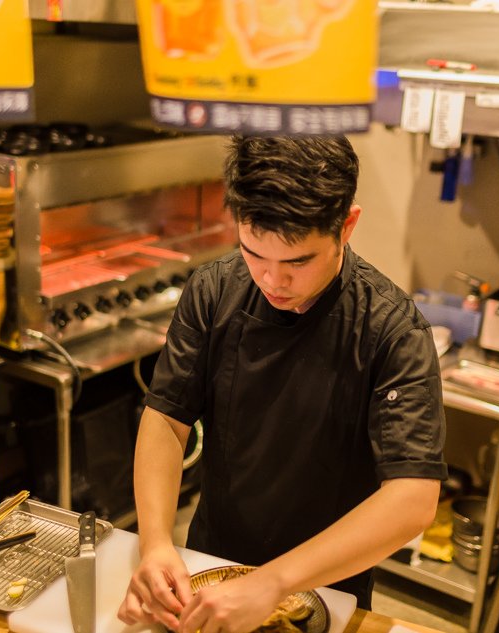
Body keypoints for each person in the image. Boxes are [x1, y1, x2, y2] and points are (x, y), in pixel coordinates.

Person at [117, 134, 446, 633]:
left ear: (347, 226)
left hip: (329, 589)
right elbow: (166, 417)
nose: (272, 280)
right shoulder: (213, 291)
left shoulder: (392, 329)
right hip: (209, 566)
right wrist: (157, 542)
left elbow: (413, 497)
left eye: (298, 262)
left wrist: (273, 583)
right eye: (253, 253)